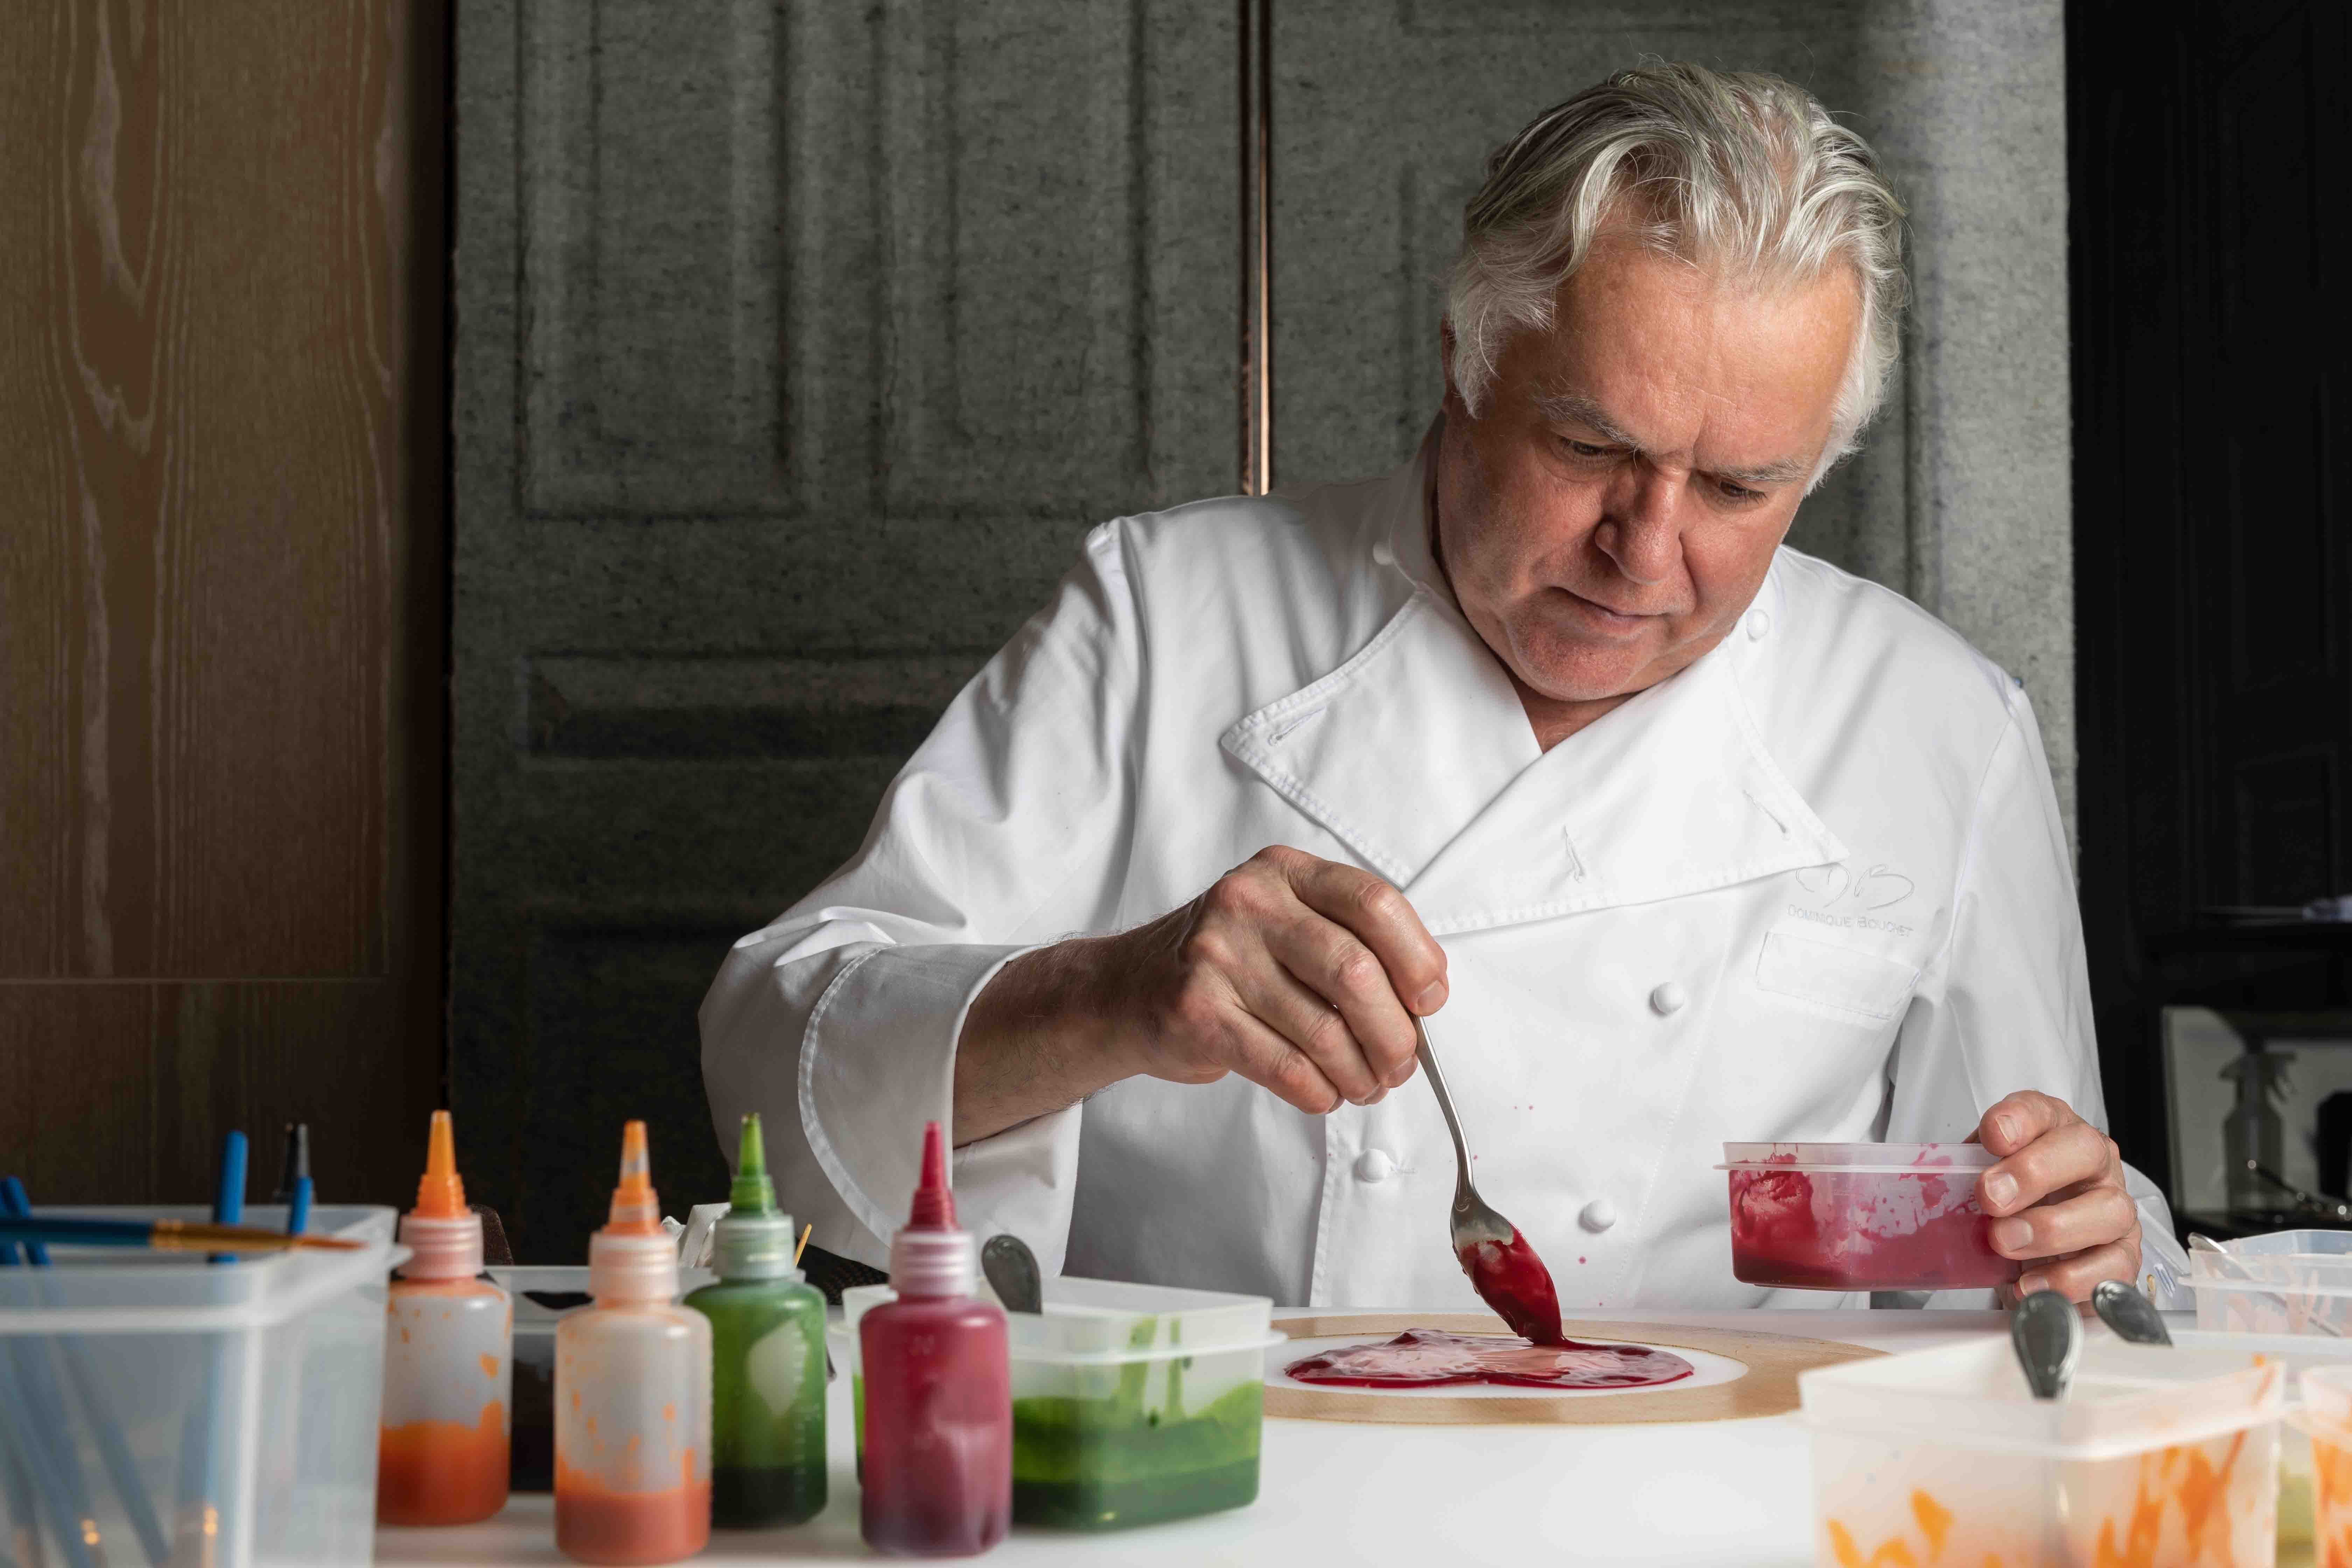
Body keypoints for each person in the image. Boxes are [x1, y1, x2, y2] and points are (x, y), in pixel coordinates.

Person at [701, 63, 2180, 1311]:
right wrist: (1117, 994)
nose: (1645, 549)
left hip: (1707, 1505)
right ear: (1464, 361)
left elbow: (2061, 1264)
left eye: (1739, 488)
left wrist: (2082, 1251)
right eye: (1590, 449)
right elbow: (779, 1063)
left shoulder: (1937, 727)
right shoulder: (1165, 613)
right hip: (1228, 1485)